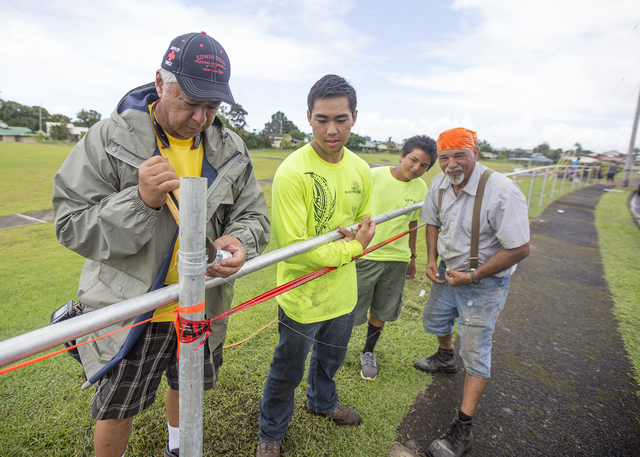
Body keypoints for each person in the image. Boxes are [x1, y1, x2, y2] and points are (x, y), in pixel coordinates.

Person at [53, 32, 270, 457]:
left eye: (211, 107)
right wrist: (139, 200)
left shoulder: (232, 148)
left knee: (188, 384)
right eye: (189, 102)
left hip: (202, 303)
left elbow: (254, 216)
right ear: (159, 82)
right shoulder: (109, 138)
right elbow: (70, 223)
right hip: (133, 310)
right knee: (118, 405)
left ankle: (178, 448)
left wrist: (240, 241)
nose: (199, 117)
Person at [256, 74, 375, 457]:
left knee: (331, 359)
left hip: (343, 294)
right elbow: (296, 248)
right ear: (308, 117)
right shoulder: (292, 172)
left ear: (354, 117)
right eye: (322, 119)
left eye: (341, 119)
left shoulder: (361, 169)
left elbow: (363, 224)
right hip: (301, 296)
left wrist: (354, 243)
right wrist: (351, 250)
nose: (332, 129)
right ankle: (271, 432)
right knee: (287, 369)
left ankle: (322, 404)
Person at [414, 127, 530, 457]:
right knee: (435, 321)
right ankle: (444, 357)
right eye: (445, 157)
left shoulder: (502, 191)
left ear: (475, 153)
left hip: (485, 284)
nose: (452, 164)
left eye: (459, 155)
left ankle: (463, 428)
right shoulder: (439, 183)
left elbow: (520, 248)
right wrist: (432, 258)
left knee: (476, 352)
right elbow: (432, 221)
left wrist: (474, 275)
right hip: (450, 273)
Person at [353, 135, 437, 381]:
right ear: (402, 155)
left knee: (382, 308)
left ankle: (368, 352)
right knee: (349, 309)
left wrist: (412, 256)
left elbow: (412, 224)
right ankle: (332, 351)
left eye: (424, 166)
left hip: (396, 260)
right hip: (366, 255)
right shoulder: (373, 176)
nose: (416, 168)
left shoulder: (421, 188)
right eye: (413, 160)